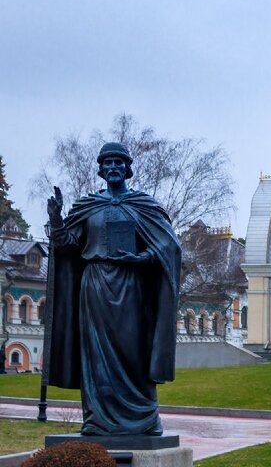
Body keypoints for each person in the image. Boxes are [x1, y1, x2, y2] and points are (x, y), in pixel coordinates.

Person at [46, 142, 181, 437]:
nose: (113, 168)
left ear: (128, 168)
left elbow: (167, 246)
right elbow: (67, 243)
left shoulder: (143, 206)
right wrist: (56, 218)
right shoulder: (89, 206)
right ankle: (96, 419)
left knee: (134, 350)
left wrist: (141, 258)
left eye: (118, 163)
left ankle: (145, 418)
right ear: (101, 170)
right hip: (93, 287)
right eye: (107, 164)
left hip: (131, 286)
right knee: (95, 355)